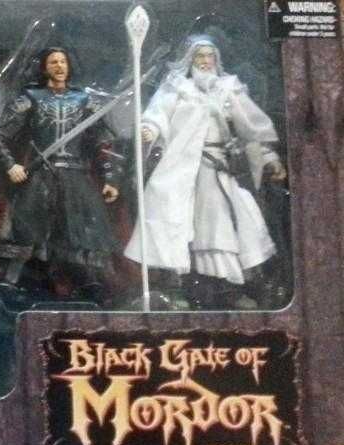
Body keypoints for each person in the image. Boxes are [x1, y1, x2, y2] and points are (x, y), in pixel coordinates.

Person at [123, 35, 287, 308]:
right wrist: (149, 128)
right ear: (190, 59)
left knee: (232, 221)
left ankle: (230, 287)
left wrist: (269, 157)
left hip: (220, 167)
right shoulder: (177, 88)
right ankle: (177, 286)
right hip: (181, 167)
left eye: (210, 56)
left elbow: (252, 128)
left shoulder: (228, 89)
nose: (205, 61)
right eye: (200, 56)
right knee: (174, 217)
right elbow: (157, 114)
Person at [0, 47, 124, 305]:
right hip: (40, 174)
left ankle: (89, 283)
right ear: (44, 68)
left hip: (76, 176)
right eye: (53, 62)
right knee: (25, 229)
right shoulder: (31, 98)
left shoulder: (85, 100)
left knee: (81, 232)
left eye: (63, 61)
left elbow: (105, 142)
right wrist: (11, 165)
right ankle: (11, 280)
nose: (59, 66)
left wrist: (111, 178)